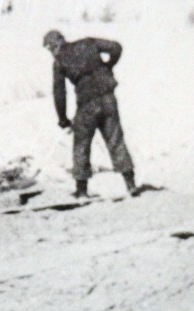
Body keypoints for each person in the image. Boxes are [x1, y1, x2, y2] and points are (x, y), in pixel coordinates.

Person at [43, 30, 138, 198]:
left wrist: (63, 119)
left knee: (81, 144)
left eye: (50, 49)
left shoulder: (59, 61)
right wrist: (109, 65)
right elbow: (116, 47)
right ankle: (131, 185)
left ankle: (81, 190)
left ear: (54, 46)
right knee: (116, 140)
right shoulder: (88, 43)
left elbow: (59, 92)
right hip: (108, 99)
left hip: (88, 105)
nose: (51, 53)